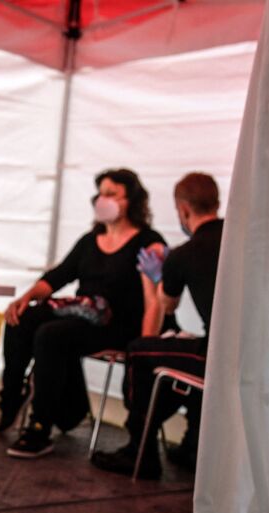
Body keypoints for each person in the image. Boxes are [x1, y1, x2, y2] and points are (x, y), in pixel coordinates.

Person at [0, 168, 165, 458]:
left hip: (119, 324)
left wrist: (146, 346)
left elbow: (156, 298)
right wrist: (25, 298)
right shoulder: (90, 240)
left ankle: (40, 427)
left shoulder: (147, 241)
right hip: (83, 316)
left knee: (51, 335)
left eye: (111, 194)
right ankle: (11, 397)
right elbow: (58, 276)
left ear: (131, 200)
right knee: (23, 318)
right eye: (100, 193)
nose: (103, 199)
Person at [91, 172, 224, 478]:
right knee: (190, 345)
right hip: (253, 350)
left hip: (218, 354)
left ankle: (140, 450)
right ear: (216, 202)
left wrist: (158, 277)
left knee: (139, 351)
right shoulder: (239, 240)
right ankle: (193, 444)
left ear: (183, 210)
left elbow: (168, 305)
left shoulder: (184, 254)